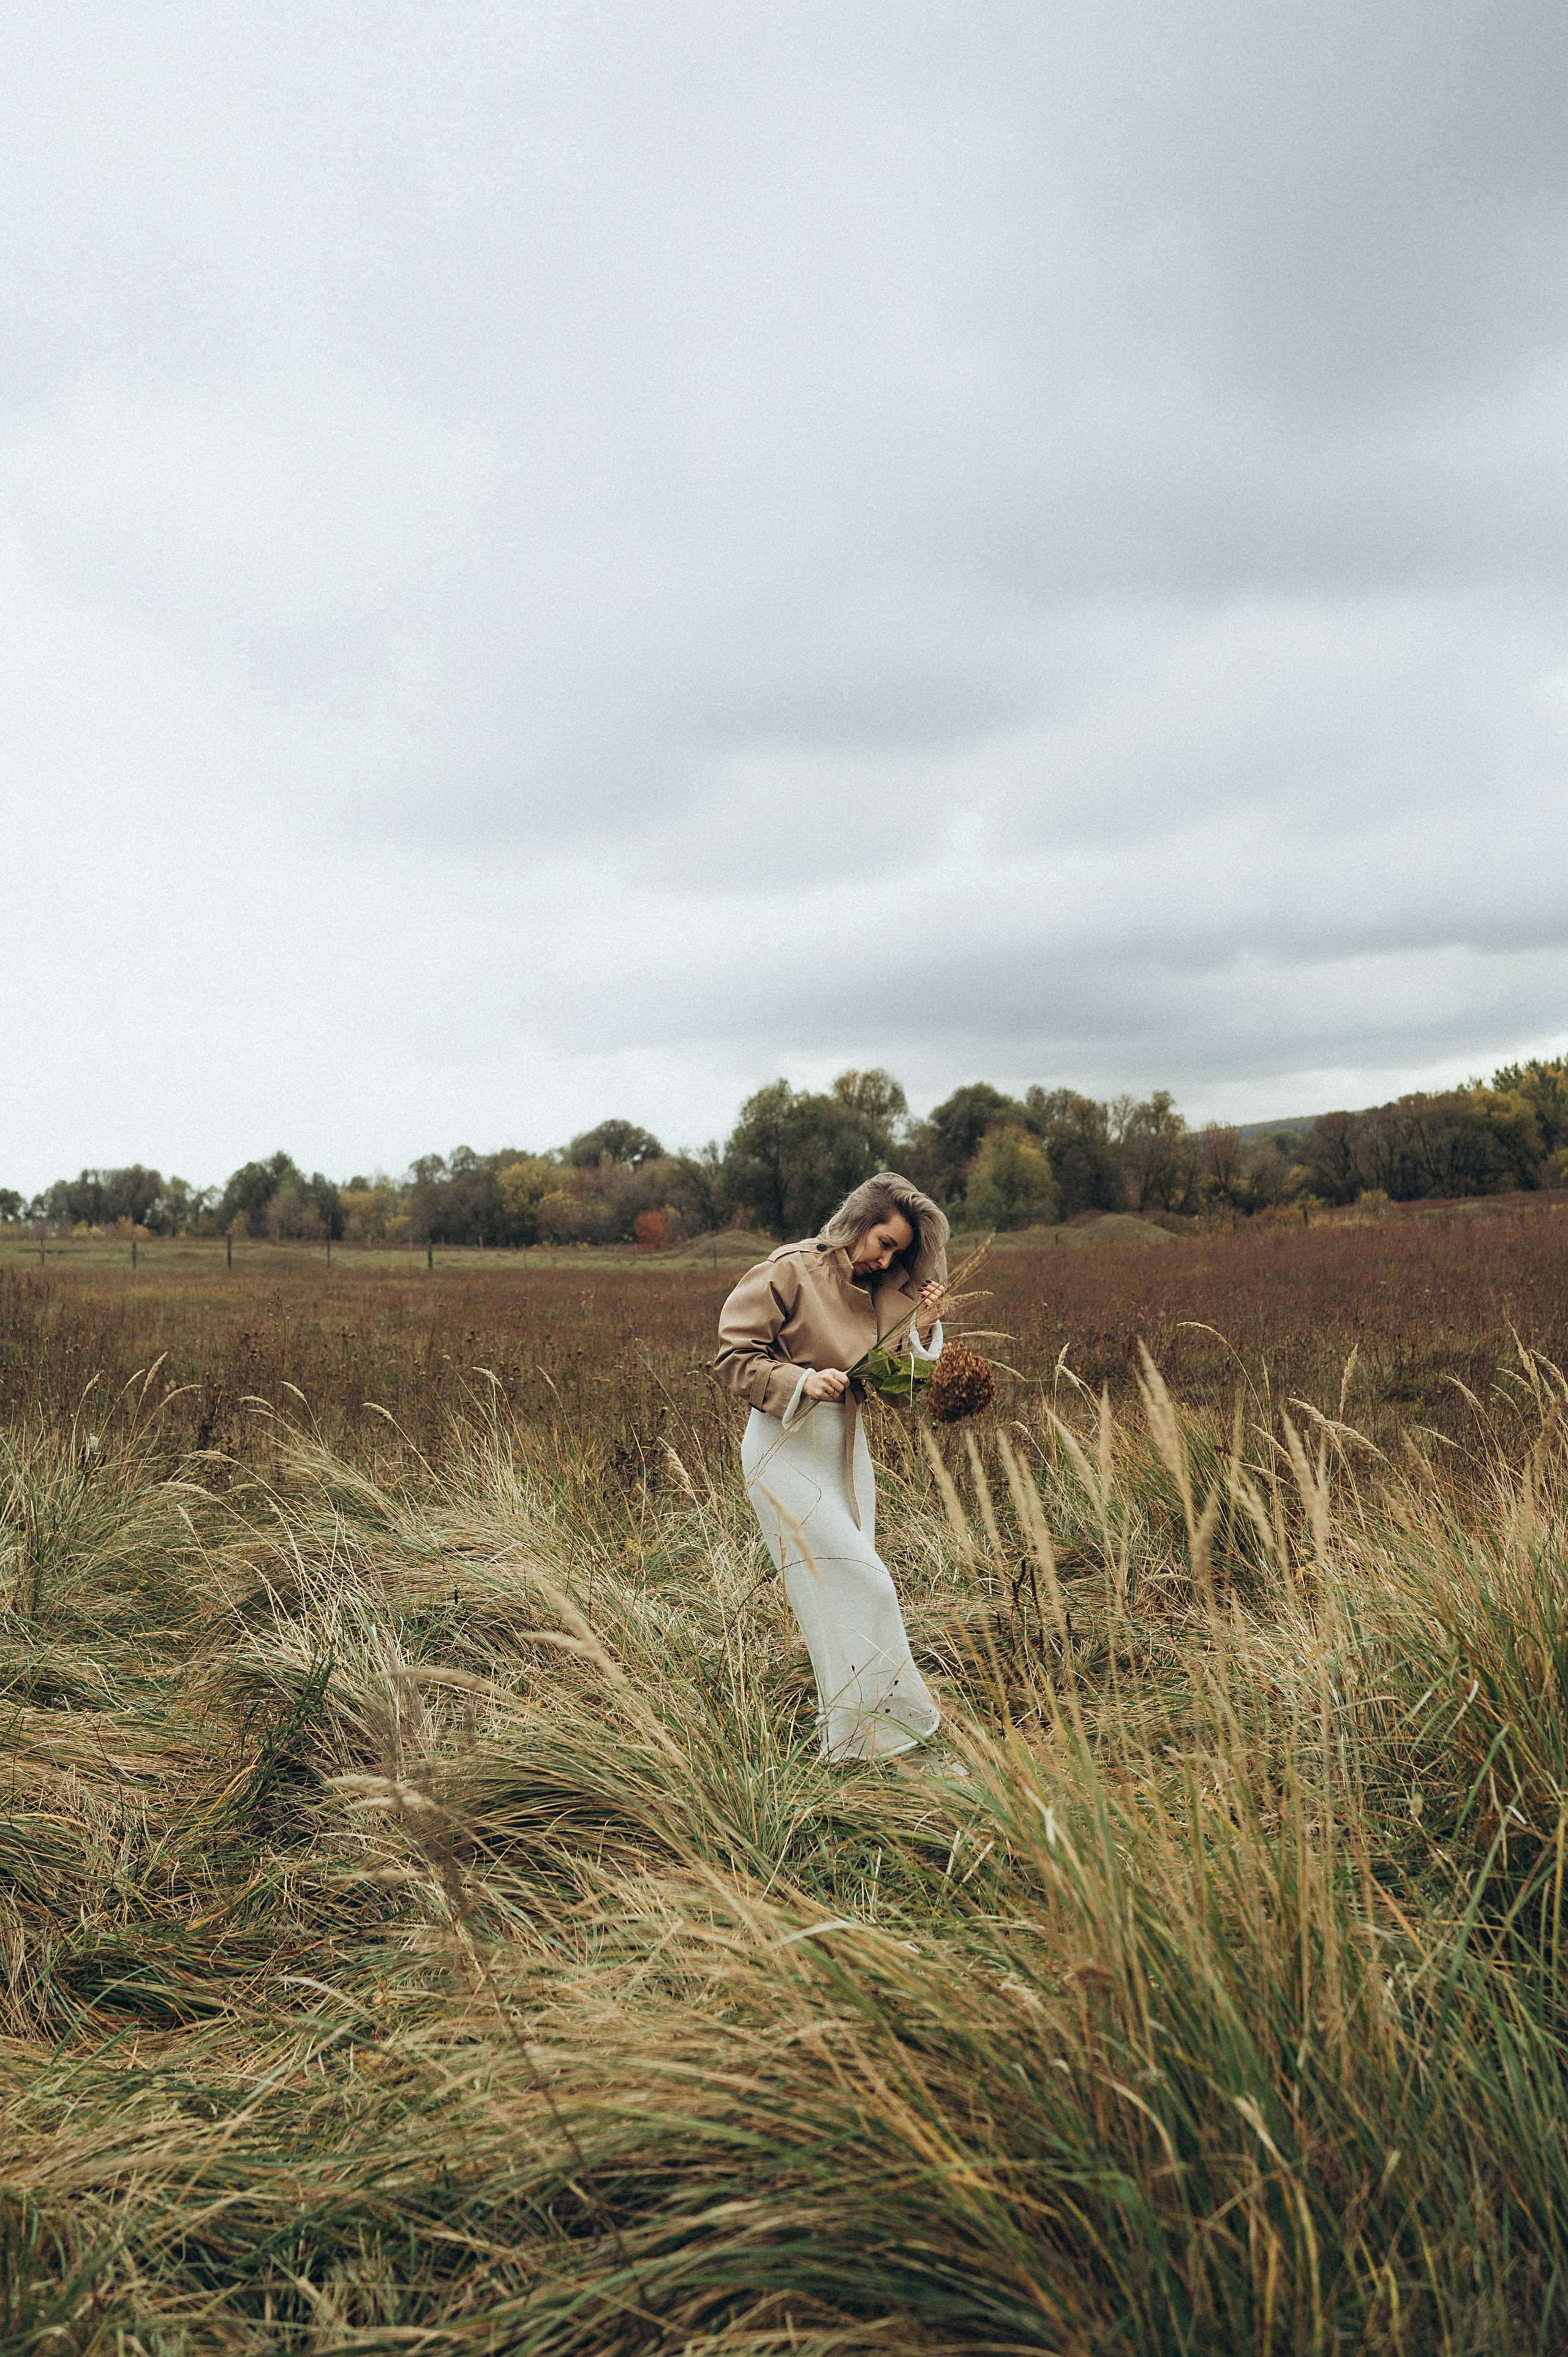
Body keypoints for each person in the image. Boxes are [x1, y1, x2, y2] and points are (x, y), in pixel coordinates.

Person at [715, 1172, 949, 1763]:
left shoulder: (888, 1292)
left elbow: (902, 1390)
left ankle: (855, 1739)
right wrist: (801, 1379)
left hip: (847, 1453)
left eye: (898, 1250)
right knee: (865, 1583)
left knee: (840, 1594)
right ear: (858, 1221)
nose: (885, 1258)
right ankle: (899, 1734)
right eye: (883, 1242)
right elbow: (733, 1357)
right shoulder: (790, 1269)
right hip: (782, 1448)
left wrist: (921, 1330)